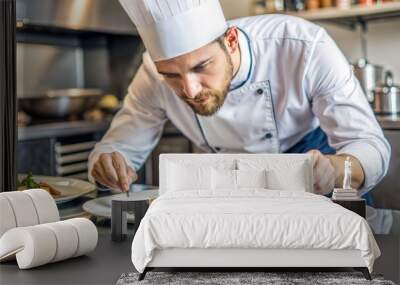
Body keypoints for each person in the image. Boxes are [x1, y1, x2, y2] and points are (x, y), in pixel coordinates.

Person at [88, 0, 390, 201]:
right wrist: (108, 164)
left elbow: (370, 146)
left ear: (231, 41)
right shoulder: (151, 77)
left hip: (315, 175)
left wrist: (335, 170)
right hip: (231, 189)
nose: (190, 90)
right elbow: (117, 149)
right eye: (172, 75)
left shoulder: (304, 47)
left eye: (201, 67)